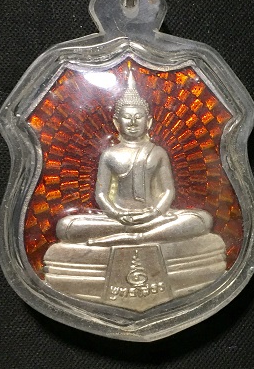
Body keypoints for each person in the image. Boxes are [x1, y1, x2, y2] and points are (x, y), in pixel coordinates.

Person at [56, 71, 213, 247]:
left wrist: (154, 213)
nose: (132, 122)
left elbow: (168, 191)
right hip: (118, 219)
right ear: (117, 123)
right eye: (127, 117)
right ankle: (145, 235)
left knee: (202, 219)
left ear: (148, 122)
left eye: (138, 117)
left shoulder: (158, 152)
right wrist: (116, 214)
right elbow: (101, 194)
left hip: (154, 217)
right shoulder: (109, 154)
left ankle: (138, 238)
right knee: (66, 226)